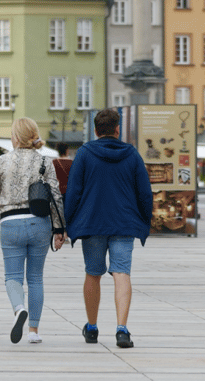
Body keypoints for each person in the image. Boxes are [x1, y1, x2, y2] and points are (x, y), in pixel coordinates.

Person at [64, 108, 152, 349]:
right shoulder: (132, 154)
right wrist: (145, 220)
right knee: (121, 272)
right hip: (124, 223)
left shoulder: (84, 153)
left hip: (92, 223)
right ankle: (121, 329)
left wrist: (66, 223)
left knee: (93, 273)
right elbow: (144, 192)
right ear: (117, 129)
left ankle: (91, 328)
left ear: (95, 131)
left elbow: (73, 192)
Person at [0, 118, 64, 345]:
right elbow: (56, 196)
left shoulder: (3, 160)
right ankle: (33, 331)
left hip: (10, 223)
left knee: (13, 277)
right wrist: (60, 229)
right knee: (36, 278)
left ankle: (19, 308)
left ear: (16, 137)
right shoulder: (44, 161)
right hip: (39, 222)